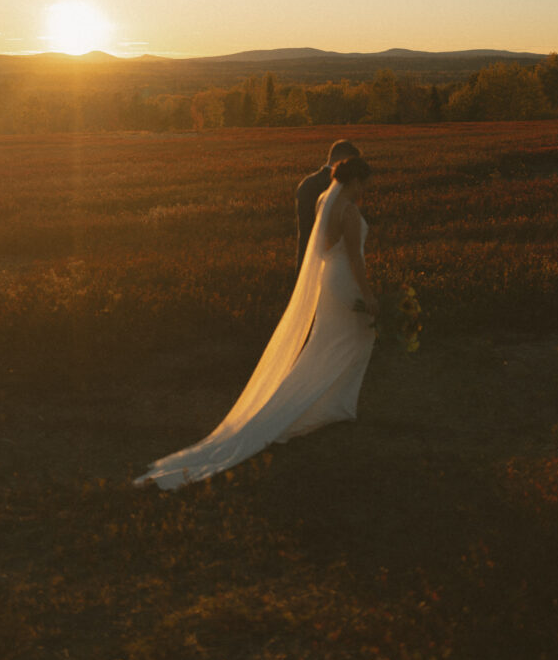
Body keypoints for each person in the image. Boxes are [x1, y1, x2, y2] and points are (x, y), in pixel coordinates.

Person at [134, 154, 377, 491]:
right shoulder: (348, 212)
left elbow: (322, 248)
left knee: (329, 342)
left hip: (329, 281)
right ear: (354, 182)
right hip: (346, 280)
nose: (367, 188)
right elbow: (354, 258)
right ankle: (330, 406)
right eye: (365, 183)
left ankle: (331, 403)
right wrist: (369, 294)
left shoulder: (327, 204)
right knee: (357, 337)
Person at [295, 139, 361, 274]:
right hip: (332, 264)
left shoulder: (305, 183)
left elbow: (304, 229)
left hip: (306, 258)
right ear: (344, 160)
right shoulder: (343, 187)